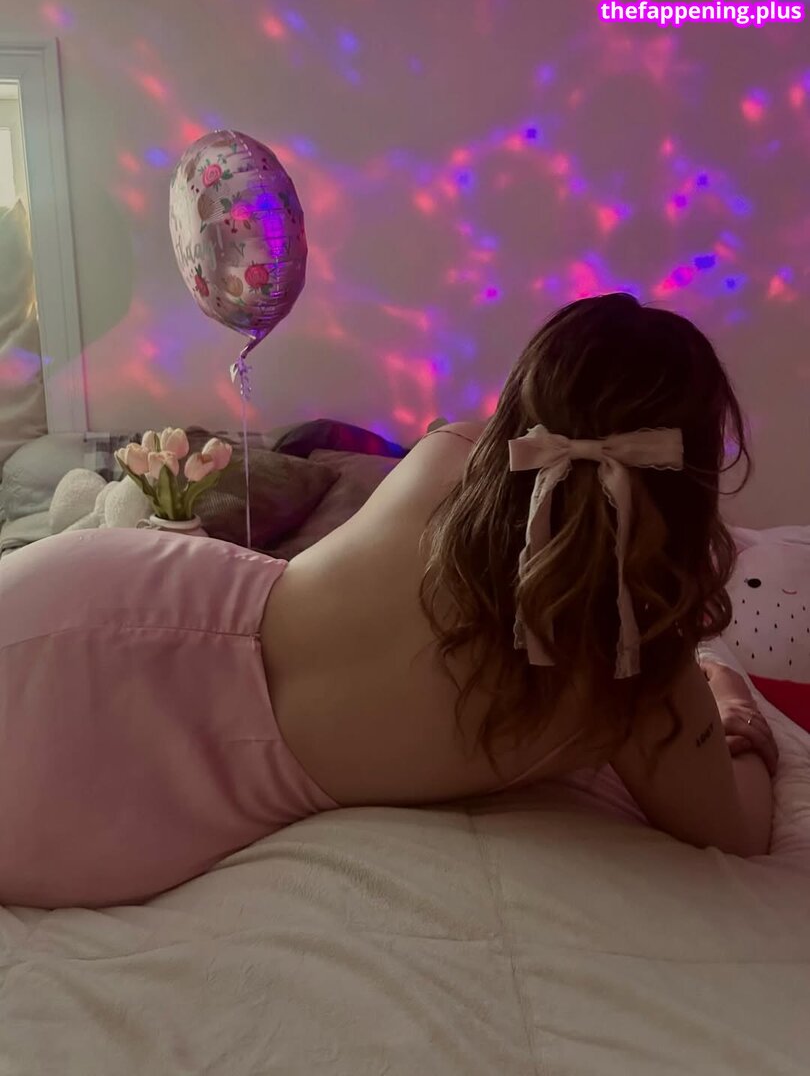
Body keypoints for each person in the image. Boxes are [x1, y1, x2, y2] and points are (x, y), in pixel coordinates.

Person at [0, 293, 778, 909]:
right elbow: (736, 829)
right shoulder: (634, 680)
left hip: (110, 592)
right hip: (149, 770)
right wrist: (736, 709)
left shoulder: (451, 454)